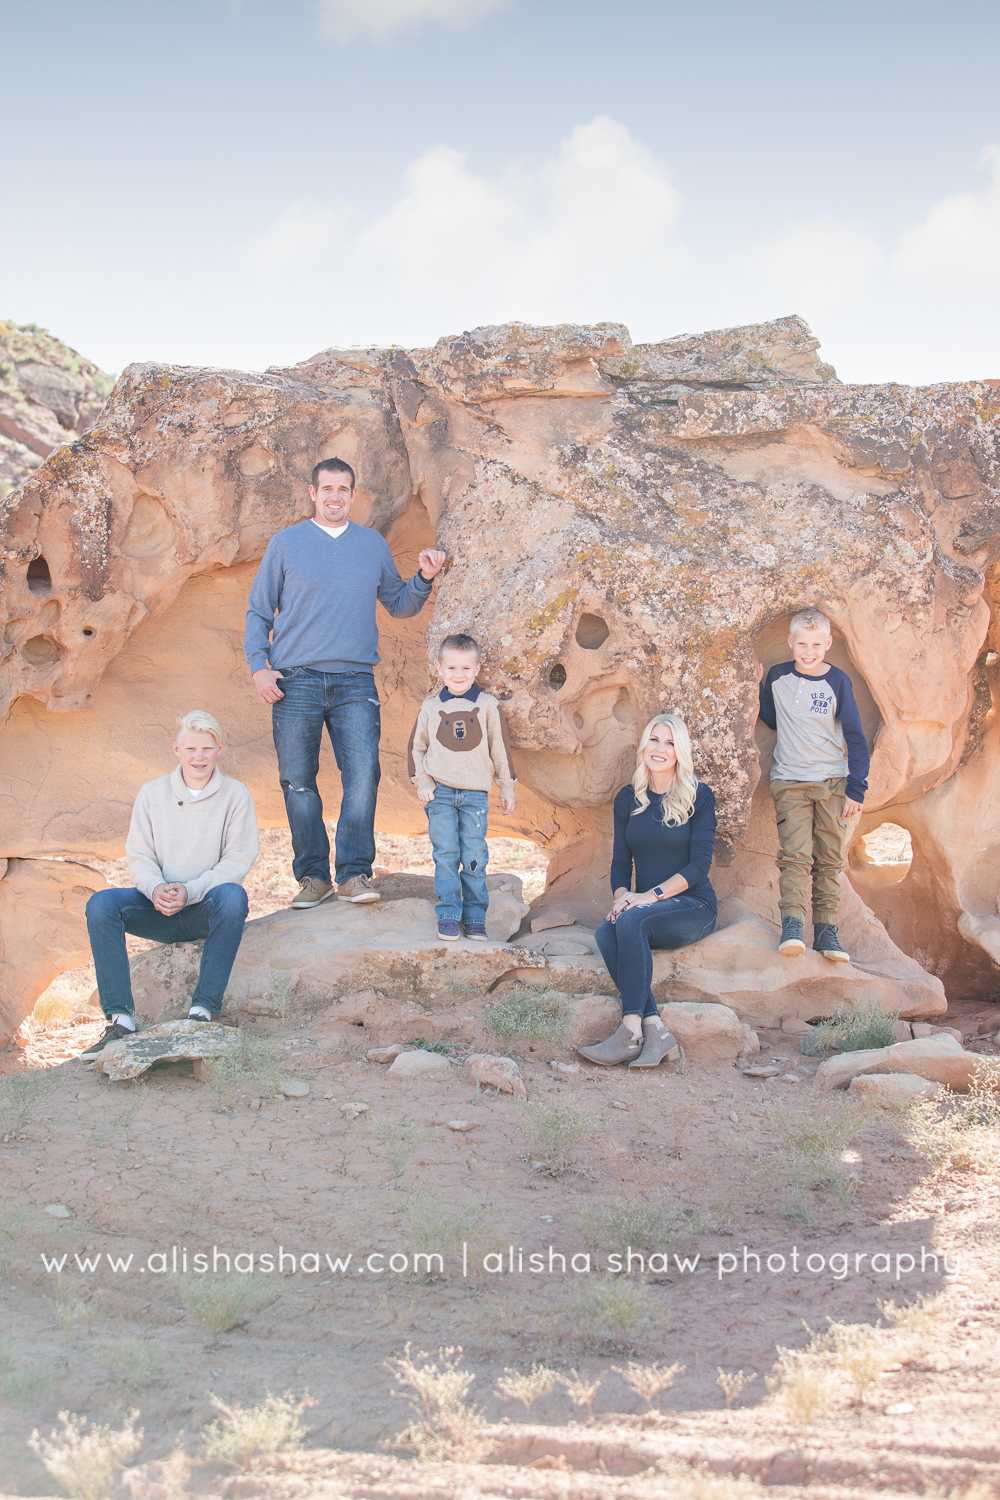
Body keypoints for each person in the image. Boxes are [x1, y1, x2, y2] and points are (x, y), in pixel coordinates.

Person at [244, 458, 445, 909]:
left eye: (343, 489)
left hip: (355, 679)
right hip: (295, 680)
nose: (335, 496)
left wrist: (424, 578)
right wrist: (260, 665)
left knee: (363, 776)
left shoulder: (371, 545)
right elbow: (259, 610)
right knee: (298, 780)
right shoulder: (286, 544)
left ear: (354, 496)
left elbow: (399, 604)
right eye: (327, 488)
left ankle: (354, 874)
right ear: (312, 493)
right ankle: (313, 879)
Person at [81, 711, 259, 1058]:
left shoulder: (236, 795)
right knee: (101, 904)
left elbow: (237, 860)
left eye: (207, 748)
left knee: (234, 896)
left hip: (204, 908)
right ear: (177, 749)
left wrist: (190, 891)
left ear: (219, 750)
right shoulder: (152, 793)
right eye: (191, 748)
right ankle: (120, 1020)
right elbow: (139, 855)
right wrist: (156, 889)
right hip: (156, 906)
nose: (199, 756)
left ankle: (202, 1011)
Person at [579, 714, 717, 1069]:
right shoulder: (628, 799)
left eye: (670, 743)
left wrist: (647, 896)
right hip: (646, 908)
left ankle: (629, 1030)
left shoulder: (699, 796)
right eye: (655, 740)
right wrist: (623, 897)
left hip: (693, 906)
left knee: (631, 922)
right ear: (644, 746)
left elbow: (699, 867)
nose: (660, 749)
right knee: (606, 930)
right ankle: (654, 1028)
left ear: (679, 752)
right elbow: (620, 864)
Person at [758, 607, 870, 962]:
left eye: (816, 645)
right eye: (802, 643)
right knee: (794, 855)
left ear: (828, 644)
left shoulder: (837, 681)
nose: (809, 651)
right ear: (790, 642)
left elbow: (855, 736)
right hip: (790, 780)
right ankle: (792, 925)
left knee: (829, 859)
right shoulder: (777, 677)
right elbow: (773, 720)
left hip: (833, 783)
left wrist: (856, 788)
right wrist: (756, 687)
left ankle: (826, 932)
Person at [407, 633, 516, 940]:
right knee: (445, 853)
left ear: (477, 669)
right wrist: (423, 782)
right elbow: (417, 748)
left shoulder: (486, 705)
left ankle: (475, 916)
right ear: (439, 669)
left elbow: (500, 748)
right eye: (452, 668)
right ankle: (449, 913)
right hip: (439, 792)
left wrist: (506, 787)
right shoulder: (430, 707)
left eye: (466, 668)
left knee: (474, 855)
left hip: (475, 796)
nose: (459, 675)